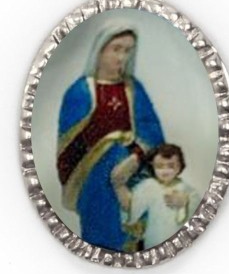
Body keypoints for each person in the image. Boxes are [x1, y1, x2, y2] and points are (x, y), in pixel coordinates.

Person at [56, 22, 164, 251]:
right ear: (100, 50)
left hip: (132, 174)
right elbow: (68, 147)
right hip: (94, 182)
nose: (122, 57)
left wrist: (134, 158)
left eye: (128, 50)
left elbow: (152, 131)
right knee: (101, 234)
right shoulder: (80, 92)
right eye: (116, 49)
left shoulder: (133, 89)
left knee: (133, 233)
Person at [119, 144, 200, 250]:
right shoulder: (148, 186)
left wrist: (186, 202)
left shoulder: (187, 190)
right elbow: (131, 212)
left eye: (171, 166)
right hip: (154, 241)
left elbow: (198, 218)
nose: (165, 171)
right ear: (153, 166)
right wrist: (120, 186)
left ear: (179, 167)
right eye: (160, 166)